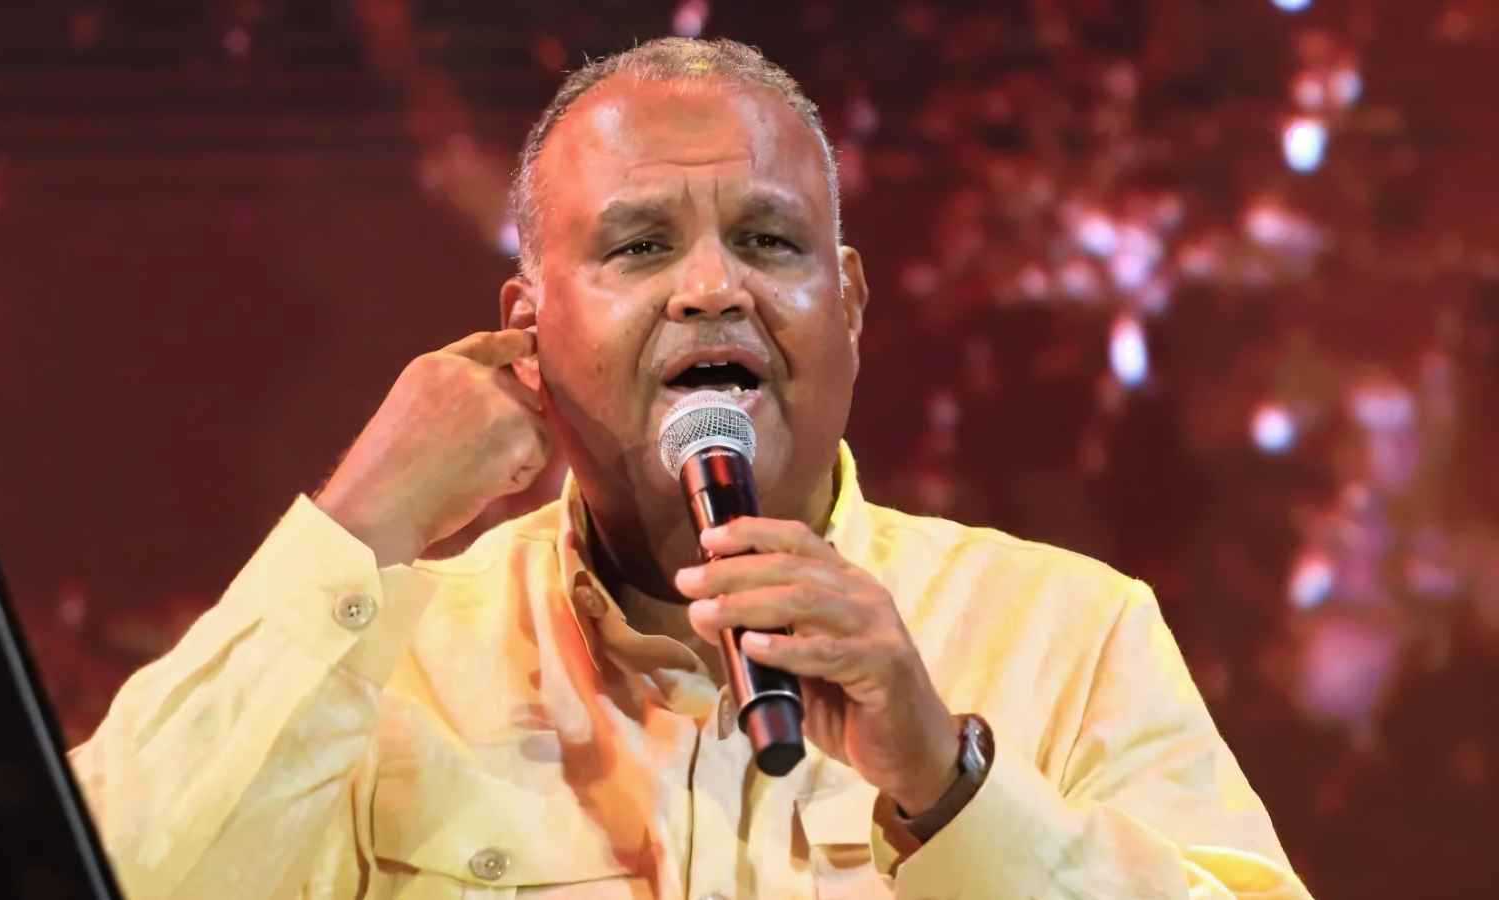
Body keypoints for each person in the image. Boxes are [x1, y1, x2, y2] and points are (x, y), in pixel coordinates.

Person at [72, 38, 1312, 899]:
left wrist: (947, 783)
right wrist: (358, 524)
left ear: (849, 306)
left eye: (768, 240)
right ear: (529, 327)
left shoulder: (1069, 633)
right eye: (639, 246)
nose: (712, 288)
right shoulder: (392, 660)